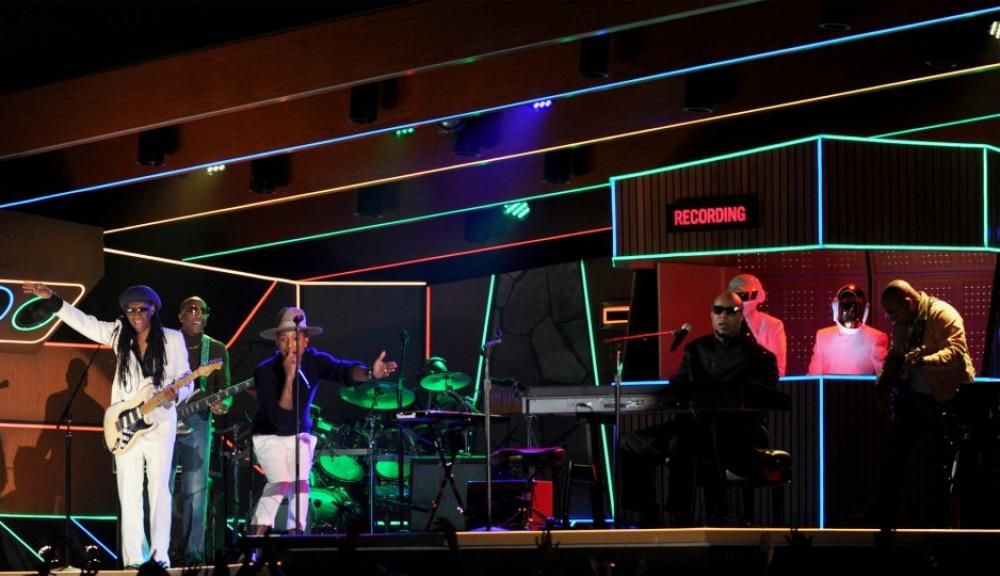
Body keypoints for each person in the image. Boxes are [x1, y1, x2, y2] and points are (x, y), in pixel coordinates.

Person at [23, 282, 192, 568]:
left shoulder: (173, 339)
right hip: (126, 422)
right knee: (129, 491)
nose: (136, 315)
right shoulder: (118, 333)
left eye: (142, 309)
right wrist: (53, 299)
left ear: (153, 310)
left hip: (160, 422)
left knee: (159, 491)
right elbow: (83, 322)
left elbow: (187, 377)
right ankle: (134, 559)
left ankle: (159, 558)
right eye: (130, 310)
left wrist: (178, 393)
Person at [622, 291, 779, 527]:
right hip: (691, 425)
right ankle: (646, 513)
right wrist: (657, 397)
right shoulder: (695, 349)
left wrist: (713, 400)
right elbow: (677, 386)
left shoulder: (760, 357)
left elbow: (763, 400)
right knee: (631, 443)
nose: (723, 316)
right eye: (718, 310)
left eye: (730, 311)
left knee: (683, 443)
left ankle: (681, 518)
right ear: (711, 315)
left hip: (737, 433)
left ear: (740, 316)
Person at [248, 306, 398, 535]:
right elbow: (280, 418)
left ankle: (295, 539)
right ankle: (253, 542)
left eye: (295, 338)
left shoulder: (315, 361)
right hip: (270, 433)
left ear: (305, 341)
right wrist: (289, 378)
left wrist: (369, 373)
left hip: (299, 433)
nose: (290, 346)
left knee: (300, 486)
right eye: (284, 339)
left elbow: (343, 371)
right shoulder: (265, 371)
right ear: (277, 343)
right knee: (280, 482)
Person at [874, 279, 975, 528]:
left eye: (893, 312)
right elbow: (896, 355)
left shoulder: (942, 314)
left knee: (939, 466)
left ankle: (941, 525)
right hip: (916, 398)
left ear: (908, 303)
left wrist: (925, 361)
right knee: (892, 457)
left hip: (946, 399)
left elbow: (956, 350)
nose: (891, 319)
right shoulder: (903, 322)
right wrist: (884, 381)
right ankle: (883, 520)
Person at [170, 297, 230, 566]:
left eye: (202, 310)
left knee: (196, 490)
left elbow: (224, 390)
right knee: (161, 486)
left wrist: (223, 404)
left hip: (198, 421)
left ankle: (192, 554)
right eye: (191, 309)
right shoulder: (167, 343)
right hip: (165, 419)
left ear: (207, 316)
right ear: (180, 316)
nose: (197, 314)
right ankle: (159, 550)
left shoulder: (215, 348)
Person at [807, 284, 888, 375]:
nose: (850, 312)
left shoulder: (875, 338)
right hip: (829, 385)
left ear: (865, 310)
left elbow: (886, 377)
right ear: (835, 307)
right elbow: (814, 376)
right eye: (846, 306)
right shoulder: (823, 336)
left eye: (855, 307)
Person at [728, 274, 787, 376]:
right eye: (739, 296)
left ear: (760, 296)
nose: (743, 302)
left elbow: (778, 368)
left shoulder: (773, 325)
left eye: (747, 296)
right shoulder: (726, 324)